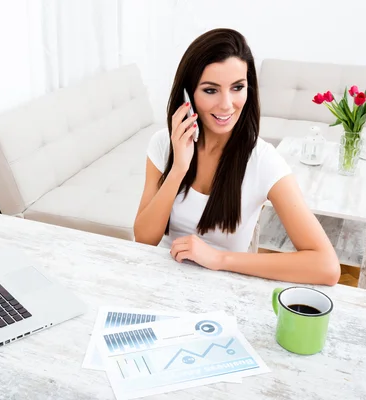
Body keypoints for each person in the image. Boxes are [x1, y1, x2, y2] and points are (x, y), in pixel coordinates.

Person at [133, 28, 340, 286]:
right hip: (159, 277)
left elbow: (327, 267)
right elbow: (144, 239)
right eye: (211, 90)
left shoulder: (263, 160)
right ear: (188, 96)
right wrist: (178, 169)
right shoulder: (163, 143)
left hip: (223, 288)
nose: (227, 104)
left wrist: (220, 259)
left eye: (237, 87)